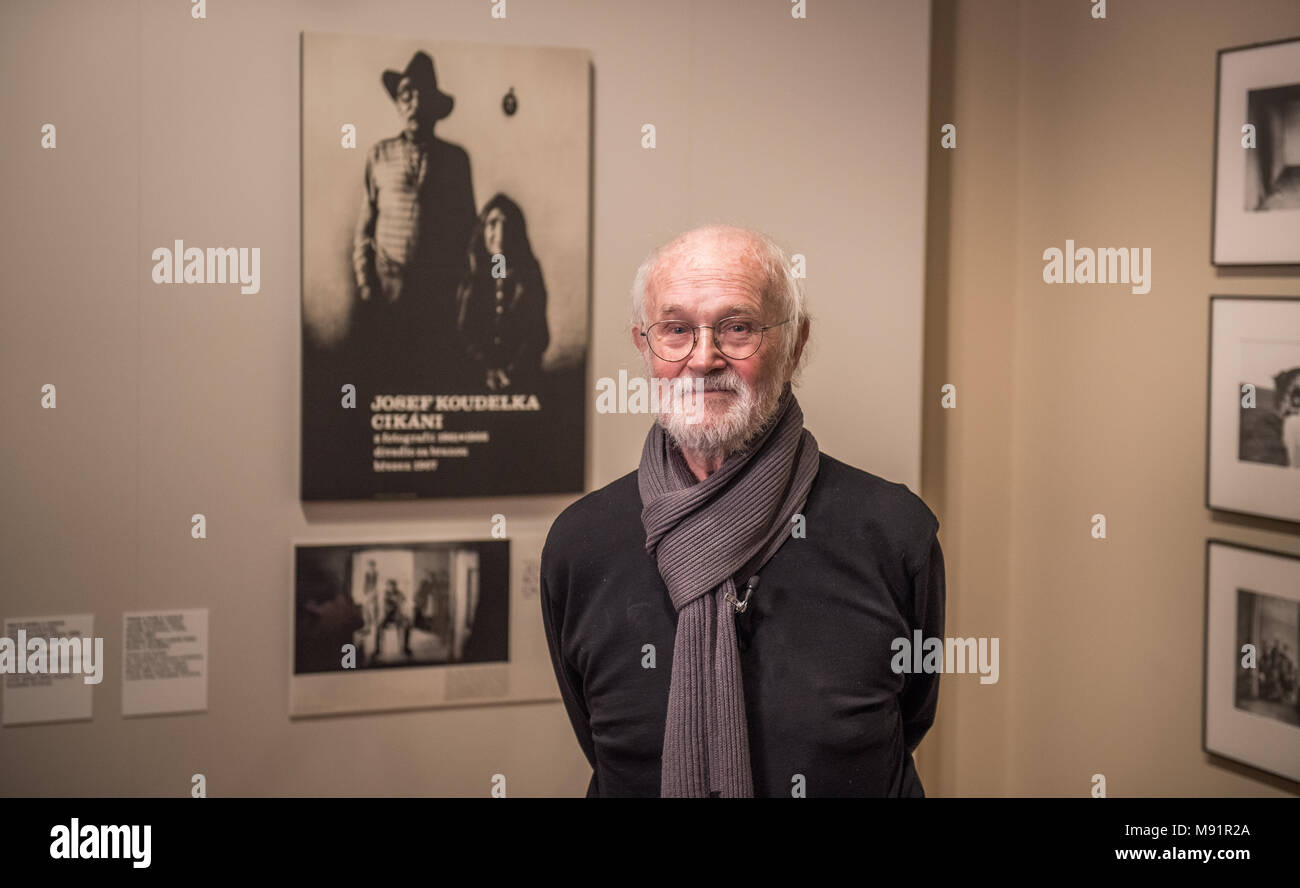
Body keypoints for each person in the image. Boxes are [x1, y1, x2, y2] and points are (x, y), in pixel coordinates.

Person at [540, 224, 945, 797]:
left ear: (796, 343)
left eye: (737, 328)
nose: (704, 359)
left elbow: (910, 721)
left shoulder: (892, 531)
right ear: (644, 346)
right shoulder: (581, 545)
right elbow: (602, 746)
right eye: (676, 329)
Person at [352, 50, 477, 383]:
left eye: (420, 96)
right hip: (387, 286)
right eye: (405, 96)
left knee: (434, 375)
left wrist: (465, 288)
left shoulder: (455, 160)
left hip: (438, 291)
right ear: (398, 104)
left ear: (434, 106)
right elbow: (364, 228)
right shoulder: (379, 154)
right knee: (388, 375)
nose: (412, 104)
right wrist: (366, 285)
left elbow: (469, 230)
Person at [454, 194, 550, 391]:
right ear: (482, 229)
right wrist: (486, 370)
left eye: (506, 225)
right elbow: (463, 332)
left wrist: (511, 370)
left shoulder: (529, 273)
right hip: (477, 377)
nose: (499, 233)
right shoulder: (473, 273)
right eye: (492, 224)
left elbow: (537, 333)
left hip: (521, 375)